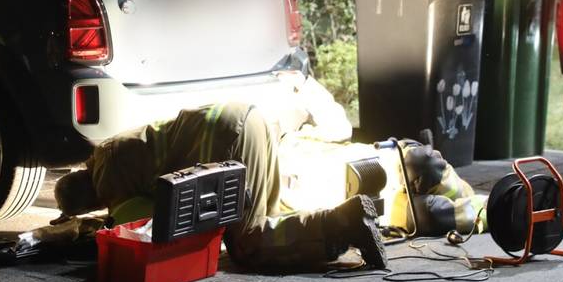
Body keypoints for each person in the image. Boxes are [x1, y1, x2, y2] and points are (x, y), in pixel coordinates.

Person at [53, 102, 387, 271]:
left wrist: (100, 230)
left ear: (88, 203)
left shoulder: (110, 183)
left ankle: (342, 224)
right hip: (246, 118)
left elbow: (150, 228)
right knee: (266, 214)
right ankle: (332, 224)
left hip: (224, 142)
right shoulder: (109, 151)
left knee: (247, 243)